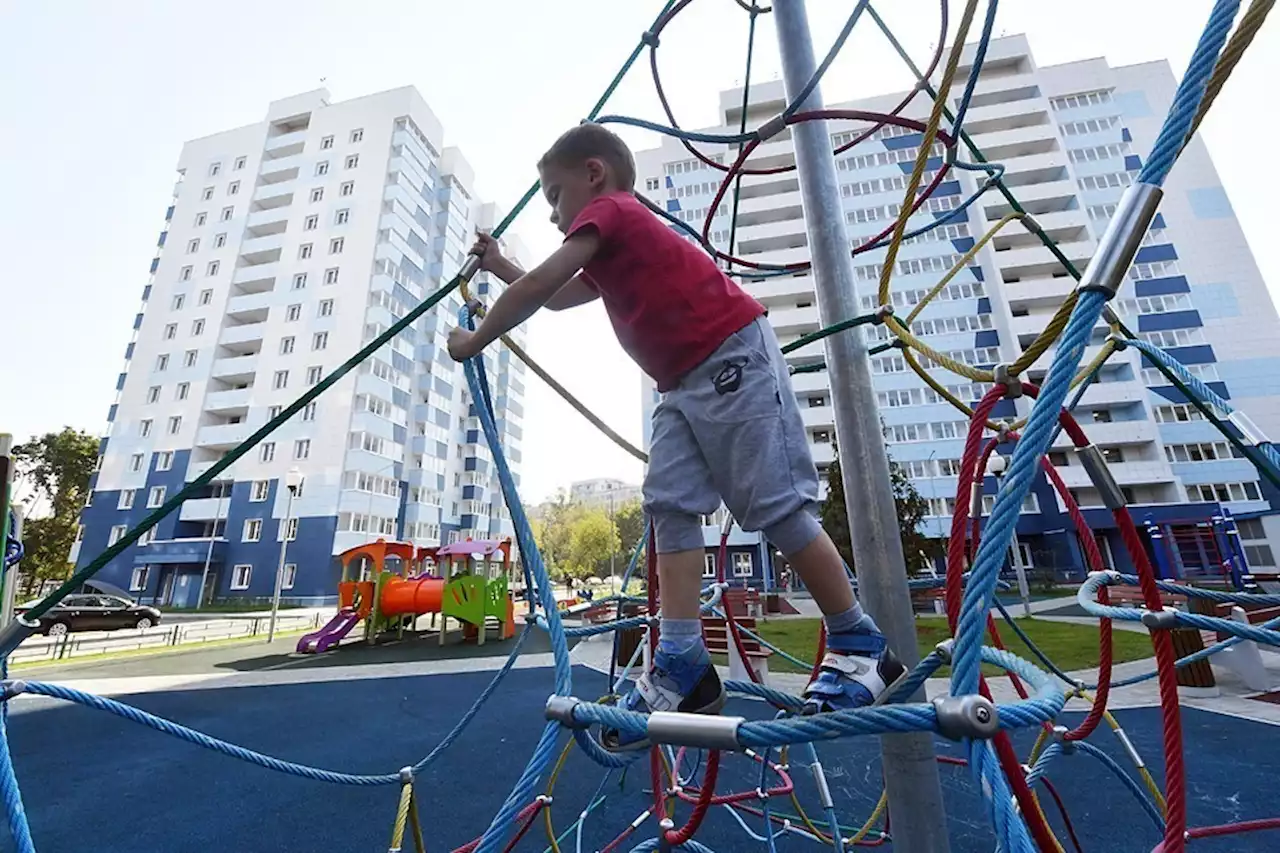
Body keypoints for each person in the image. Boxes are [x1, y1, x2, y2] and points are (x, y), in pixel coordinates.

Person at [448, 123, 904, 751]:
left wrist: (475, 340)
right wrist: (498, 261)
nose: (553, 213)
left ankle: (861, 646)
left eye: (555, 195)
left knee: (773, 504)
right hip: (679, 383)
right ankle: (685, 660)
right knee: (669, 507)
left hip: (728, 355)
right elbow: (554, 298)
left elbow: (537, 289)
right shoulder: (603, 244)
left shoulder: (612, 210)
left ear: (594, 175)